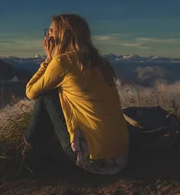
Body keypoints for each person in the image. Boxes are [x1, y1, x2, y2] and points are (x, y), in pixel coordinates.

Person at [23, 14, 129, 175]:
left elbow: (31, 91)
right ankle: (38, 148)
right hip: (120, 157)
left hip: (92, 160)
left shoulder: (63, 62)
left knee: (47, 95)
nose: (47, 36)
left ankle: (29, 149)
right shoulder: (101, 63)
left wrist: (48, 60)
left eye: (51, 31)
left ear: (61, 35)